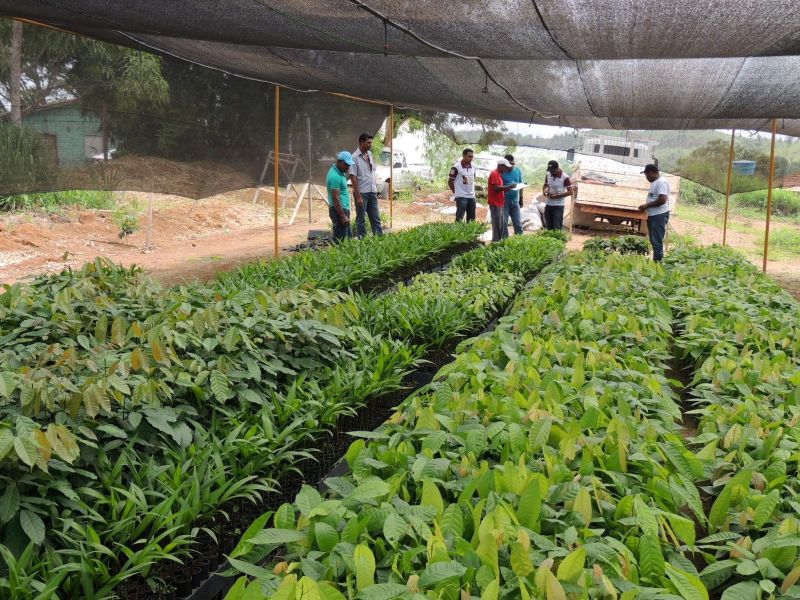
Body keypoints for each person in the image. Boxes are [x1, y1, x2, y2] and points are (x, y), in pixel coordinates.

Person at [348, 133, 383, 238]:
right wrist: (358, 196)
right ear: (361, 142)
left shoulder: (370, 154)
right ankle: (363, 242)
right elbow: (353, 177)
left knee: (375, 218)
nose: (370, 145)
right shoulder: (354, 157)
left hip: (372, 191)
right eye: (368, 143)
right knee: (361, 219)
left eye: (371, 142)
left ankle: (379, 240)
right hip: (362, 193)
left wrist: (375, 190)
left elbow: (372, 172)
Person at [638, 164, 670, 262]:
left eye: (647, 175)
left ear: (651, 173)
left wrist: (646, 206)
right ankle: (657, 261)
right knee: (654, 240)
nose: (647, 178)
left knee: (656, 241)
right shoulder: (656, 182)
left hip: (659, 215)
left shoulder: (661, 182)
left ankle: (658, 263)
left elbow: (662, 200)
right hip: (654, 215)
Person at [327, 151, 354, 243]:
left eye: (349, 164)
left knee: (348, 239)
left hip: (342, 210)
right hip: (339, 211)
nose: (348, 167)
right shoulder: (335, 176)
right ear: (339, 162)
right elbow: (335, 198)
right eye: (346, 164)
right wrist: (342, 216)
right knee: (341, 241)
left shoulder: (340, 172)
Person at [488, 158, 516, 242]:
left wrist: (507, 189)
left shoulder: (498, 174)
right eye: (505, 167)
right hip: (495, 203)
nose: (507, 169)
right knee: (497, 224)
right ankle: (496, 242)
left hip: (499, 202)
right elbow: (496, 188)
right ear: (501, 166)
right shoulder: (494, 174)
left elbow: (498, 189)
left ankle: (498, 241)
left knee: (500, 223)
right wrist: (509, 186)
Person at [542, 160, 572, 230]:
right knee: (548, 226)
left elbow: (571, 192)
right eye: (549, 170)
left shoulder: (565, 177)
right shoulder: (548, 174)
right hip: (549, 204)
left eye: (552, 171)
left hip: (558, 206)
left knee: (557, 227)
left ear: (557, 169)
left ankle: (556, 240)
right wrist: (544, 191)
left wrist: (557, 196)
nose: (550, 172)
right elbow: (545, 185)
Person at [448, 148, 476, 222]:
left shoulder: (473, 166)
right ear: (463, 155)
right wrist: (455, 192)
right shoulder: (456, 167)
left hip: (471, 196)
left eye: (471, 157)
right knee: (459, 218)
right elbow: (450, 181)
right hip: (461, 197)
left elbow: (471, 179)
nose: (470, 158)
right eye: (469, 156)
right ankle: (458, 233)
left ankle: (470, 233)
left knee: (471, 220)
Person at [501, 154, 524, 237]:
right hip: (504, 201)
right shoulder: (501, 172)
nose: (512, 166)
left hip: (515, 201)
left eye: (513, 164)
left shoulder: (517, 170)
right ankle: (505, 241)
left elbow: (521, 185)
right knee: (504, 222)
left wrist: (521, 198)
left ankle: (519, 241)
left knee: (518, 223)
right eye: (510, 164)